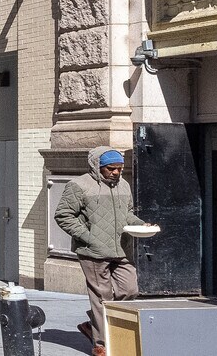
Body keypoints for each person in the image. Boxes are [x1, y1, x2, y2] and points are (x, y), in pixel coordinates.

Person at [53, 147, 148, 354]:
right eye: (111, 168)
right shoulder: (79, 185)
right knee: (102, 297)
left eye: (119, 168)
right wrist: (88, 237)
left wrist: (141, 225)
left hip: (121, 249)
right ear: (97, 166)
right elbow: (63, 215)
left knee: (129, 290)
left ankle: (92, 324)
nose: (116, 172)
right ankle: (101, 344)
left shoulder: (123, 184)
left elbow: (128, 214)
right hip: (93, 252)